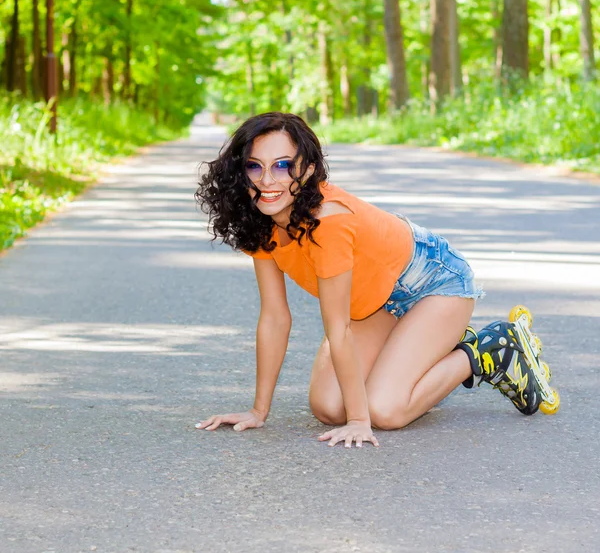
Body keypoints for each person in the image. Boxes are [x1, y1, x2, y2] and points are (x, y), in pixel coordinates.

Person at [194, 112, 545, 449]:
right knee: (329, 408)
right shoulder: (261, 221)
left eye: (283, 165)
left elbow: (339, 329)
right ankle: (419, 348)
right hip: (374, 303)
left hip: (433, 285)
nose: (267, 181)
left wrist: (360, 421)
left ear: (309, 170)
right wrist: (259, 410)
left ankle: (488, 350)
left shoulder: (327, 224)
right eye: (255, 166)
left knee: (385, 410)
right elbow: (274, 317)